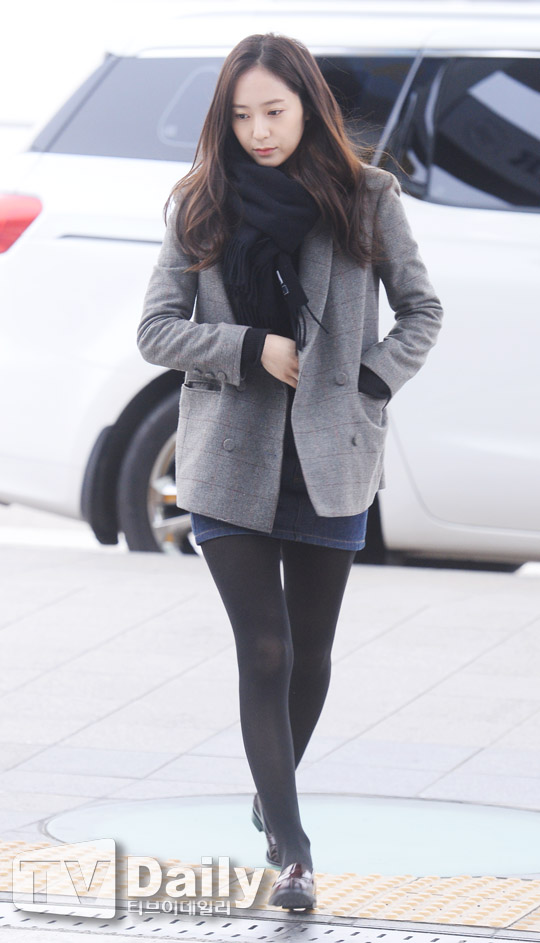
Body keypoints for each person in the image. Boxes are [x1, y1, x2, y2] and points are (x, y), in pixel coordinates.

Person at [137, 33, 444, 912]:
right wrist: (250, 348)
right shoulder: (202, 201)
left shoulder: (366, 196)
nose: (259, 131)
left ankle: (271, 799)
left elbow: (422, 310)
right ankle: (294, 847)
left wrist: (367, 383)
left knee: (311, 653)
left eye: (274, 111)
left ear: (308, 105)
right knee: (264, 649)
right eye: (241, 116)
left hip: (329, 457)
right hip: (229, 458)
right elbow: (156, 329)